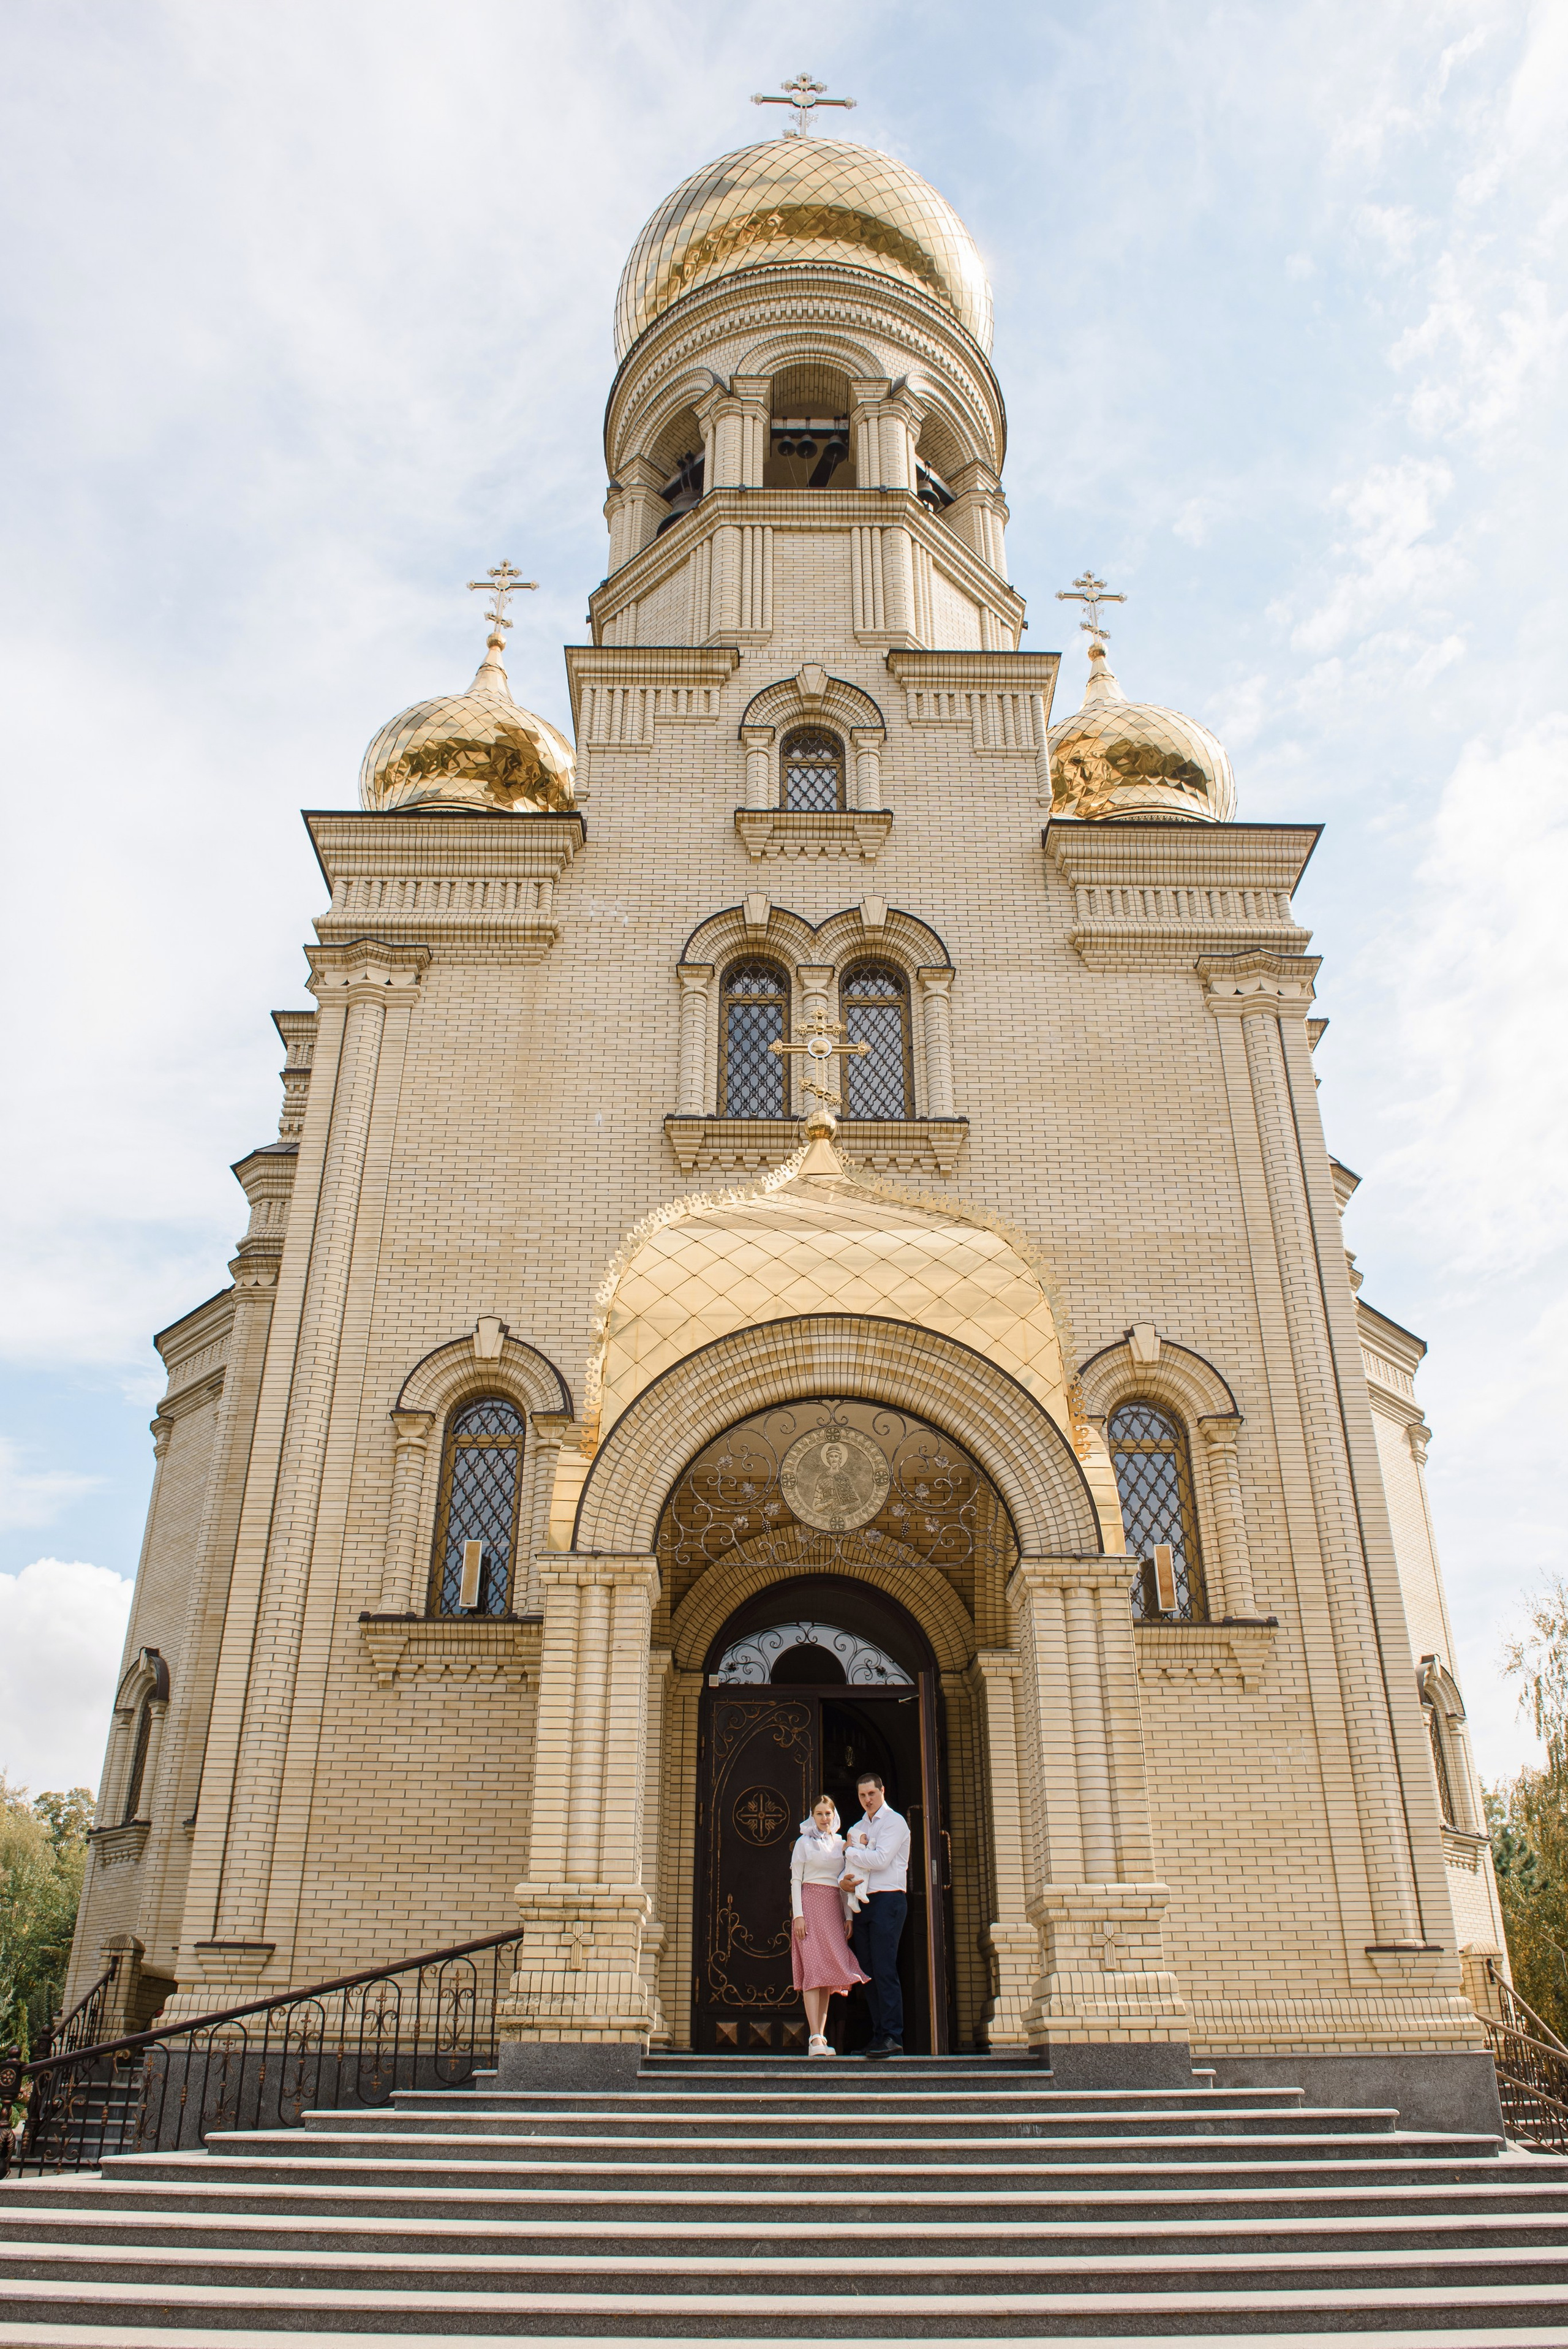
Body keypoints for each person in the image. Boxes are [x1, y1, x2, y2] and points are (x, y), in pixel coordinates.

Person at [790, 1796, 869, 2056]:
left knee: (825, 1978)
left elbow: (845, 1881)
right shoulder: (803, 1843)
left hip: (834, 1908)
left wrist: (848, 1916)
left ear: (834, 1816)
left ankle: (821, 2038)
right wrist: (798, 1915)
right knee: (813, 1972)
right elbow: (795, 1880)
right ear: (813, 1816)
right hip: (810, 1907)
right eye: (819, 1813)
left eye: (828, 1813)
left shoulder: (840, 1844)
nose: (824, 1818)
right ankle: (814, 2038)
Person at [841, 1771, 911, 2057]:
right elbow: (848, 1874)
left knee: (884, 1968)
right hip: (863, 1903)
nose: (867, 1799)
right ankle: (878, 2035)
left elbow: (881, 1860)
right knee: (868, 1973)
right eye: (862, 1795)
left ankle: (893, 2036)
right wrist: (843, 1881)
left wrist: (850, 1853)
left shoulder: (895, 1822)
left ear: (882, 1791)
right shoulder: (858, 1826)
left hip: (889, 1901)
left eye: (872, 1793)